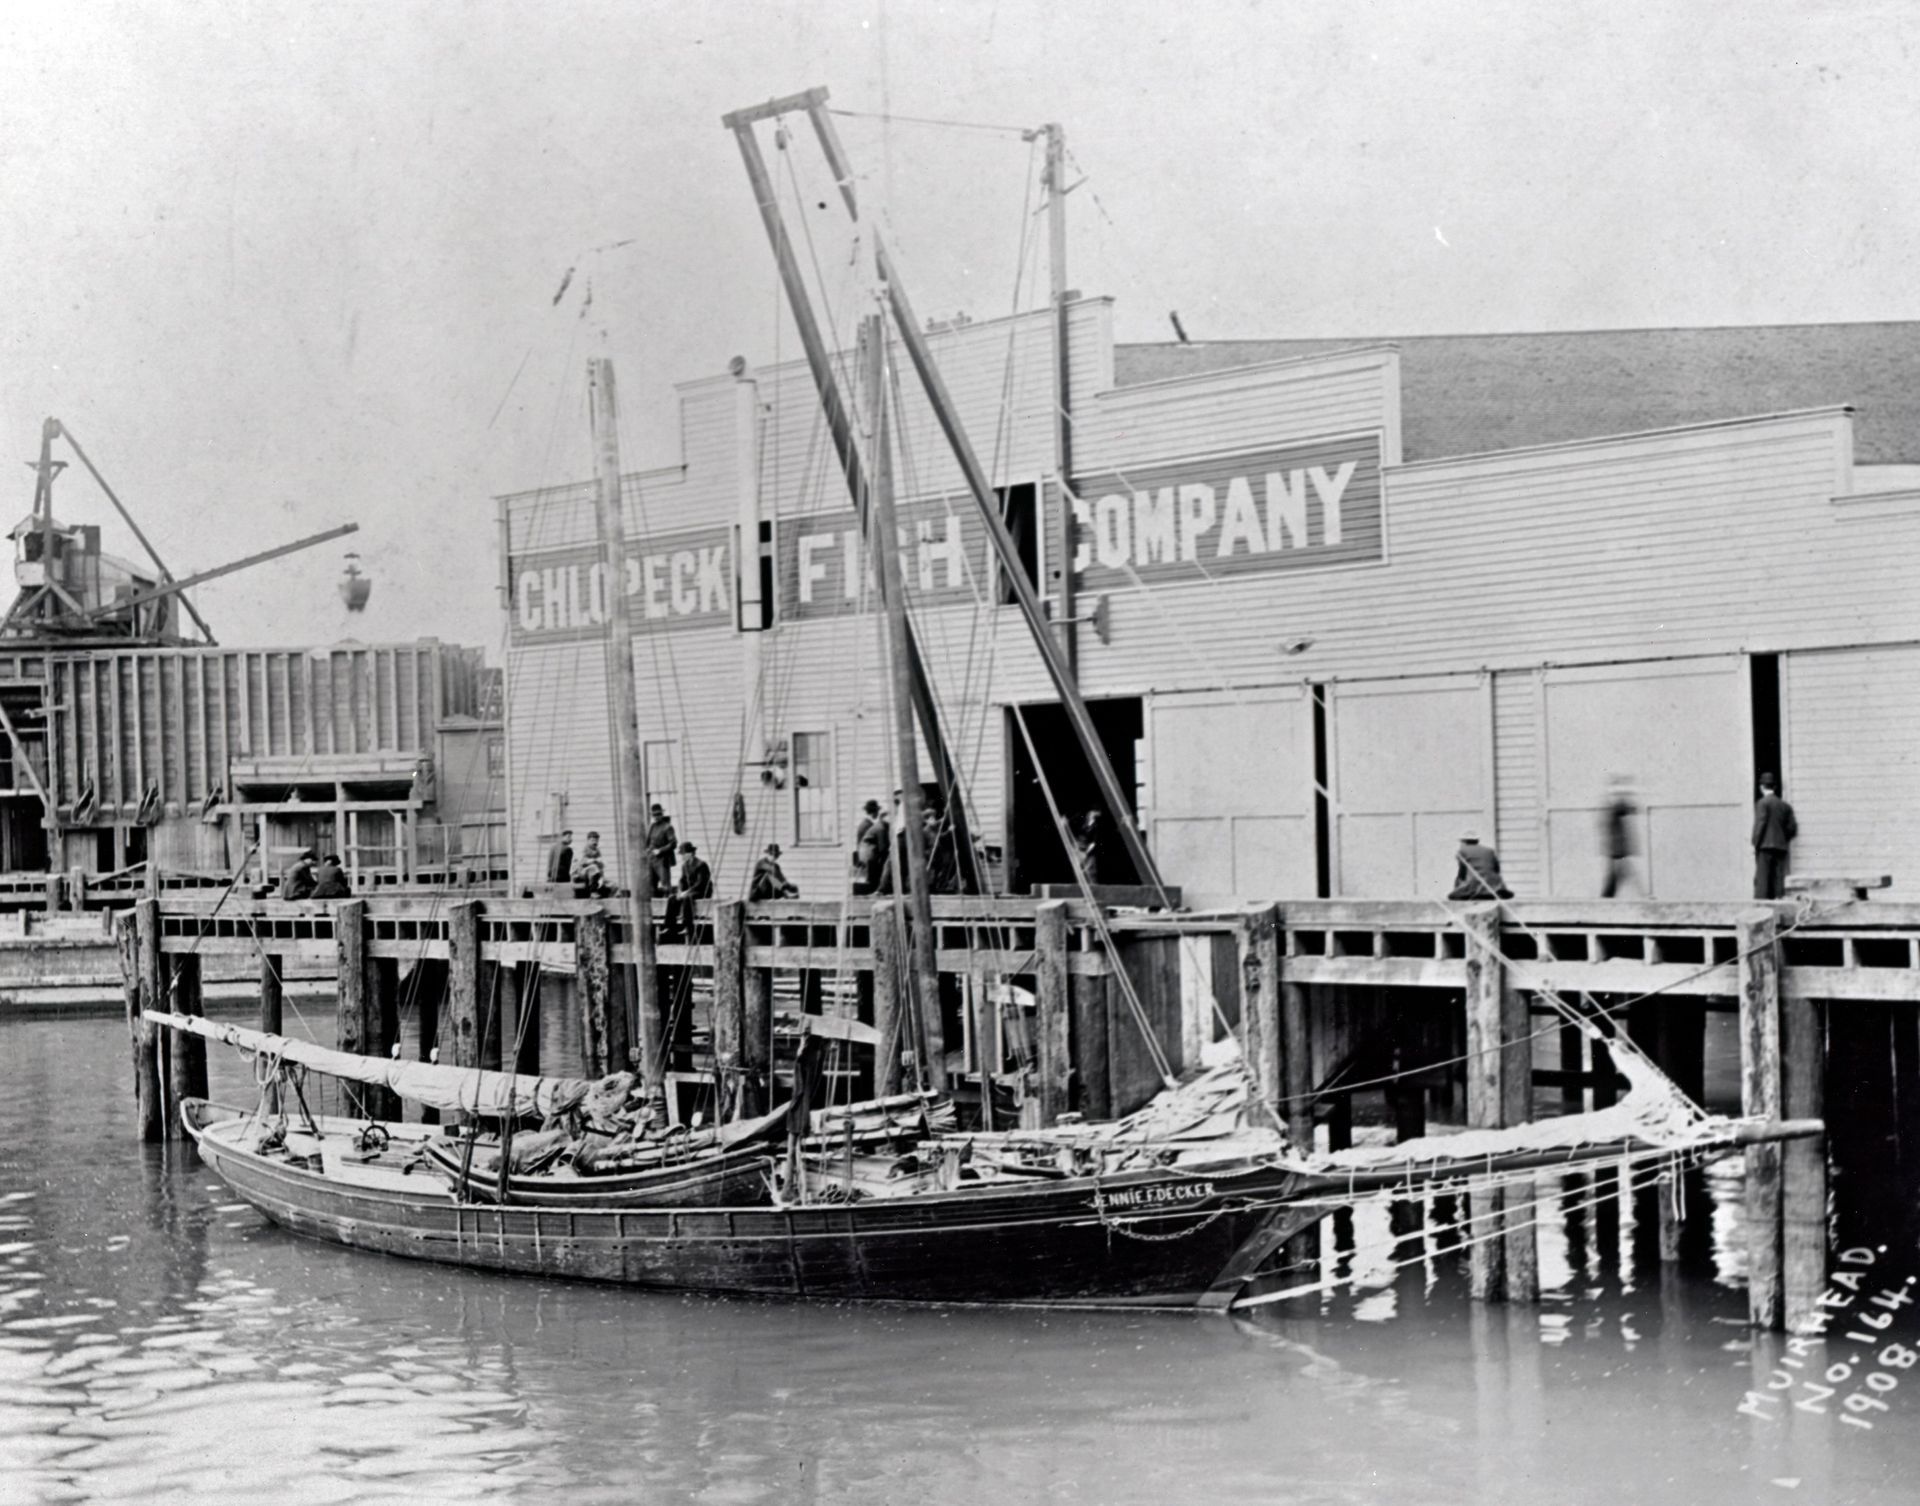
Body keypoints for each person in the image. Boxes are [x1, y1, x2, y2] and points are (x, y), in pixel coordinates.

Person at [1753, 772, 1798, 900]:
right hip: (1781, 848)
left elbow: (1760, 824)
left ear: (1761, 787)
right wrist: (1782, 839)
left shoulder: (1762, 803)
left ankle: (1761, 911)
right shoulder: (1786, 806)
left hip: (1765, 848)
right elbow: (1792, 829)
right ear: (1775, 787)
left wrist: (1755, 843)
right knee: (1779, 882)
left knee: (1763, 883)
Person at [1599, 776, 1638, 898]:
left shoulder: (1610, 805)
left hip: (1616, 848)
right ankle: (1606, 898)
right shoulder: (1613, 806)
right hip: (1616, 848)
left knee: (1619, 874)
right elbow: (1627, 808)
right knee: (1619, 874)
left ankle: (1607, 898)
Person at [663, 840, 712, 938]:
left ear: (690, 853)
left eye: (683, 854)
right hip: (689, 891)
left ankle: (687, 927)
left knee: (687, 898)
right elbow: (682, 880)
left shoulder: (701, 864)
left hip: (702, 890)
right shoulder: (684, 866)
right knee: (672, 899)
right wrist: (680, 891)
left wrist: (687, 892)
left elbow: (701, 883)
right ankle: (670, 926)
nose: (682, 857)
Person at [1448, 831, 1513, 901]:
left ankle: (1478, 893)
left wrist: (1457, 888)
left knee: (1452, 896)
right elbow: (1497, 869)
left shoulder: (1462, 851)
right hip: (1495, 884)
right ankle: (1494, 892)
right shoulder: (1489, 850)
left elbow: (1462, 874)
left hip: (1476, 884)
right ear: (1477, 840)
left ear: (1464, 841)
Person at [645, 805, 677, 893]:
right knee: (650, 884)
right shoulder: (652, 826)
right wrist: (647, 850)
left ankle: (669, 902)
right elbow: (647, 842)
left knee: (665, 885)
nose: (656, 817)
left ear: (662, 814)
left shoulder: (667, 827)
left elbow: (673, 843)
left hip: (662, 860)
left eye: (658, 814)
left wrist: (660, 850)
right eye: (654, 815)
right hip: (651, 859)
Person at [1071, 809, 1107, 886]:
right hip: (1080, 848)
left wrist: (1087, 852)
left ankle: (1092, 886)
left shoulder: (1096, 826)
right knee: (1079, 869)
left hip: (1087, 850)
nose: (1090, 814)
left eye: (1093, 813)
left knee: (1089, 870)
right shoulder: (1084, 823)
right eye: (1090, 812)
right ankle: (1079, 884)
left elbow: (1093, 842)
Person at [573, 831, 606, 898]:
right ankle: (593, 892)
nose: (595, 842)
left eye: (596, 840)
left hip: (592, 874)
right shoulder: (584, 849)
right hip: (581, 872)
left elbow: (601, 863)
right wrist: (593, 861)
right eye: (592, 840)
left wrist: (601, 864)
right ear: (588, 840)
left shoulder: (597, 850)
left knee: (610, 883)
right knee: (593, 867)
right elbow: (581, 862)